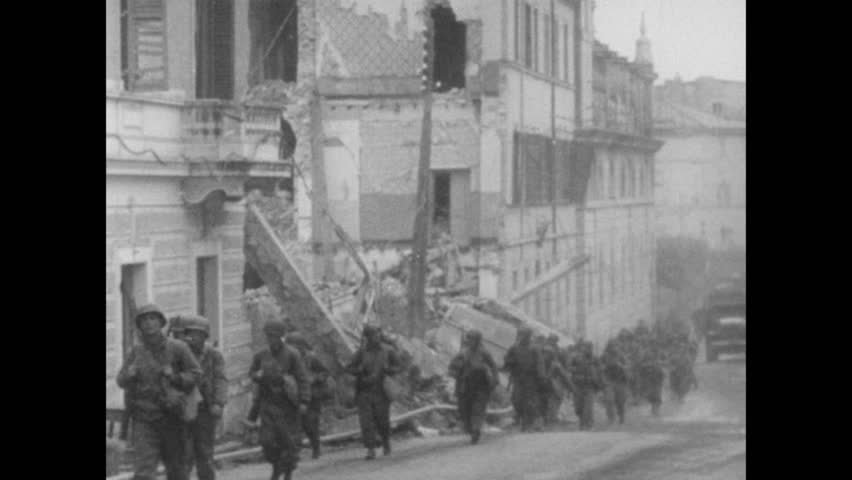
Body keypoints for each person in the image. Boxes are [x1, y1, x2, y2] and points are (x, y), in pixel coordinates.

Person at [116, 304, 202, 480]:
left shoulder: (178, 348)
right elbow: (120, 380)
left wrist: (175, 377)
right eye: (144, 320)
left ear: (160, 322)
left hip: (171, 417)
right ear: (139, 326)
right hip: (143, 418)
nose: (148, 324)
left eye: (152, 319)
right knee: (143, 472)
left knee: (176, 470)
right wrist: (129, 374)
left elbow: (196, 374)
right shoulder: (136, 352)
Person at [248, 319, 310, 480]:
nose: (271, 340)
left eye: (275, 336)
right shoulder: (261, 355)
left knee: (289, 442)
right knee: (267, 442)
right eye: (269, 336)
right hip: (268, 404)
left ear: (282, 337)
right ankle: (277, 465)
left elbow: (302, 378)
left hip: (288, 404)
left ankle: (287, 471)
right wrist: (257, 376)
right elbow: (252, 373)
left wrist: (304, 400)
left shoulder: (292, 354)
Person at [344, 325, 403, 460]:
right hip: (364, 391)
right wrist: (359, 371)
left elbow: (399, 366)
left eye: (378, 334)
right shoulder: (361, 352)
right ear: (367, 337)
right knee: (366, 422)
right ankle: (370, 449)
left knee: (382, 421)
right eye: (373, 335)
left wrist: (390, 370)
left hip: (381, 392)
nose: (377, 337)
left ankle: (386, 442)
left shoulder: (388, 350)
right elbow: (349, 367)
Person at [180, 315, 227, 480]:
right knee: (183, 454)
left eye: (198, 333)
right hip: (184, 408)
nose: (193, 337)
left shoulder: (213, 355)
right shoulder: (181, 352)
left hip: (205, 410)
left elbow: (220, 379)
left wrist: (218, 403)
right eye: (190, 333)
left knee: (205, 453)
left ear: (205, 335)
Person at [285, 332, 331, 459]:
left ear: (301, 346)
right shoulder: (287, 360)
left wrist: (314, 378)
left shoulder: (311, 358)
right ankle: (295, 452)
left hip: (313, 396)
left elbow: (325, 372)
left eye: (293, 346)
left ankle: (316, 447)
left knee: (310, 423)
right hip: (294, 396)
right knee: (295, 425)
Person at [448, 329, 499, 444]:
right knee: (464, 409)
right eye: (469, 338)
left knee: (478, 409)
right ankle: (471, 429)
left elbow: (493, 366)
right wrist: (455, 372)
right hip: (466, 386)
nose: (470, 341)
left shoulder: (484, 353)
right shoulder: (463, 353)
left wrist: (495, 380)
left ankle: (476, 430)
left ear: (478, 340)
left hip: (481, 386)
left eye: (472, 339)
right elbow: (452, 367)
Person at [502, 327, 545, 432]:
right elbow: (507, 361)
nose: (522, 337)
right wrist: (508, 364)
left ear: (529, 336)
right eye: (520, 334)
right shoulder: (513, 348)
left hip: (531, 378)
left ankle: (530, 423)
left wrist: (541, 376)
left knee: (530, 401)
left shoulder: (534, 348)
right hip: (518, 378)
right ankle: (526, 421)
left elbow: (540, 362)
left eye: (524, 335)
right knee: (517, 400)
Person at [570, 341, 603, 430]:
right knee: (578, 407)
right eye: (586, 347)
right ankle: (582, 422)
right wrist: (576, 371)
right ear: (582, 348)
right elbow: (569, 368)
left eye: (589, 348)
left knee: (588, 407)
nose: (587, 349)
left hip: (589, 385)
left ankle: (588, 424)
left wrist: (598, 384)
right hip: (578, 385)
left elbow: (600, 371)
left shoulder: (595, 359)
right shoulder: (576, 358)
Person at [601, 342, 629, 425]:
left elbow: (626, 368)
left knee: (620, 402)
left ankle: (621, 417)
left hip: (620, 382)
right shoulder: (604, 357)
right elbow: (599, 367)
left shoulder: (621, 356)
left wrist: (621, 366)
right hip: (609, 382)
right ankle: (611, 418)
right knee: (609, 401)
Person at [638, 351, 665, 417]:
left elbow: (662, 376)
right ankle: (654, 411)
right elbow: (642, 373)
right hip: (652, 385)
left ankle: (655, 411)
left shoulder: (657, 366)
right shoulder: (649, 366)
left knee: (656, 399)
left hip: (656, 385)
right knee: (654, 399)